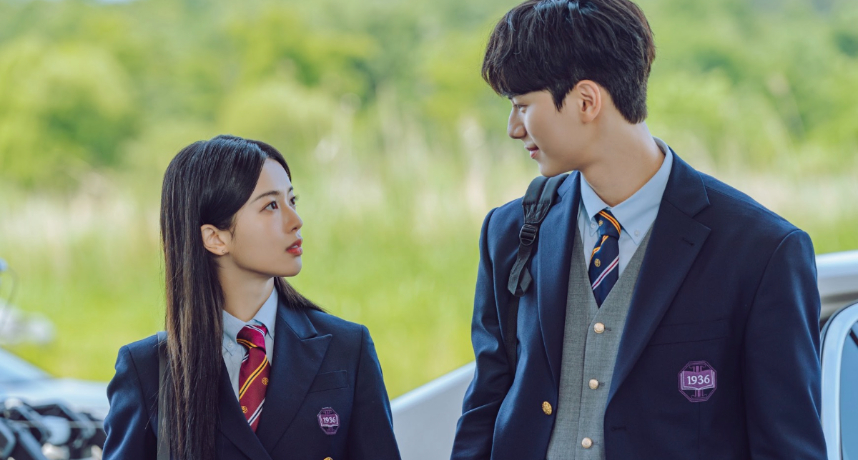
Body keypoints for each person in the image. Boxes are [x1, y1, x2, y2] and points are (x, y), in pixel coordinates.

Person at [450, 1, 827, 459]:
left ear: (586, 101)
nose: (513, 128)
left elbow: (787, 447)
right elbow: (486, 405)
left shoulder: (762, 251)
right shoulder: (510, 232)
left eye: (522, 106)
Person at [102, 135, 401, 460]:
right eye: (271, 206)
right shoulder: (146, 371)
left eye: (292, 200)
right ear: (215, 238)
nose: (296, 221)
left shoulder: (347, 349)